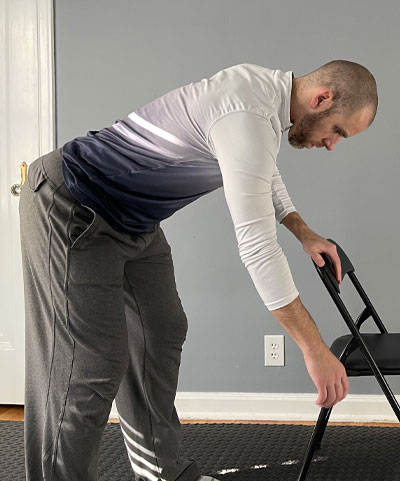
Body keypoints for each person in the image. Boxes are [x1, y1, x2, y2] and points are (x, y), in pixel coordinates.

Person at [19, 59, 378, 481]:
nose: (333, 144)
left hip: (133, 222)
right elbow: (258, 249)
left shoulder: (266, 98)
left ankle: (161, 472)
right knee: (87, 364)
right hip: (74, 205)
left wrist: (301, 229)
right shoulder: (247, 114)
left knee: (162, 331)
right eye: (337, 131)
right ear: (322, 99)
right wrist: (315, 350)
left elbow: (258, 166)